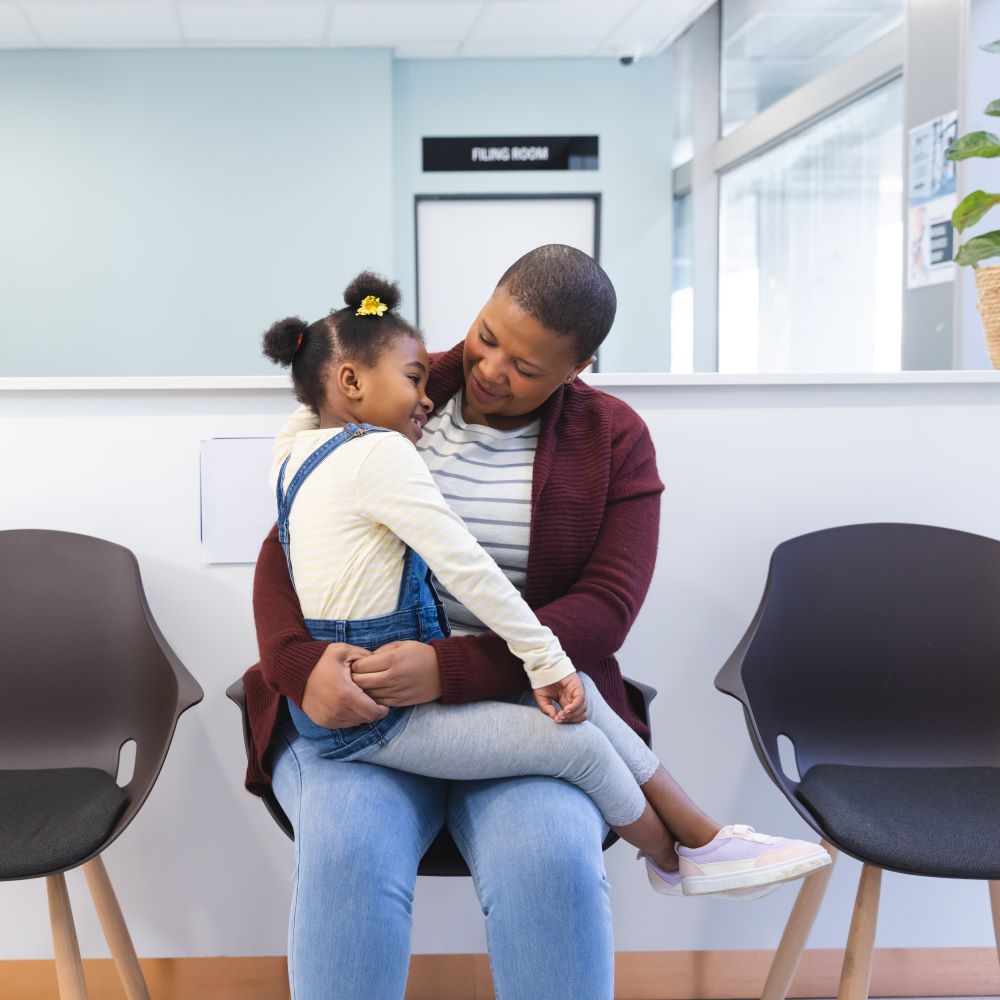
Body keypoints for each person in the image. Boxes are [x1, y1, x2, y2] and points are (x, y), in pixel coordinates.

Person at [242, 246, 829, 1000]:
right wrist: (297, 665)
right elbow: (288, 540)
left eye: (525, 367)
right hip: (362, 700)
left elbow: (606, 608)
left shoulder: (613, 439)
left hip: (512, 696)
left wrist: (451, 671)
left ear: (578, 368)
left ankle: (692, 848)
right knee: (348, 852)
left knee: (548, 857)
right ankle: (687, 842)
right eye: (487, 336)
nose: (489, 370)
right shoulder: (401, 382)